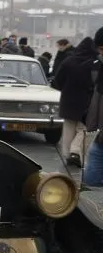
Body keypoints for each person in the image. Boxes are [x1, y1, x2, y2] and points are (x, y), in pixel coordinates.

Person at [50, 32, 102, 167]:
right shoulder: (94, 63)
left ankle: (67, 155)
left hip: (68, 101)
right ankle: (75, 152)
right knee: (82, 129)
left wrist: (66, 90)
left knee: (68, 128)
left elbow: (58, 80)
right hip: (86, 102)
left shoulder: (69, 61)